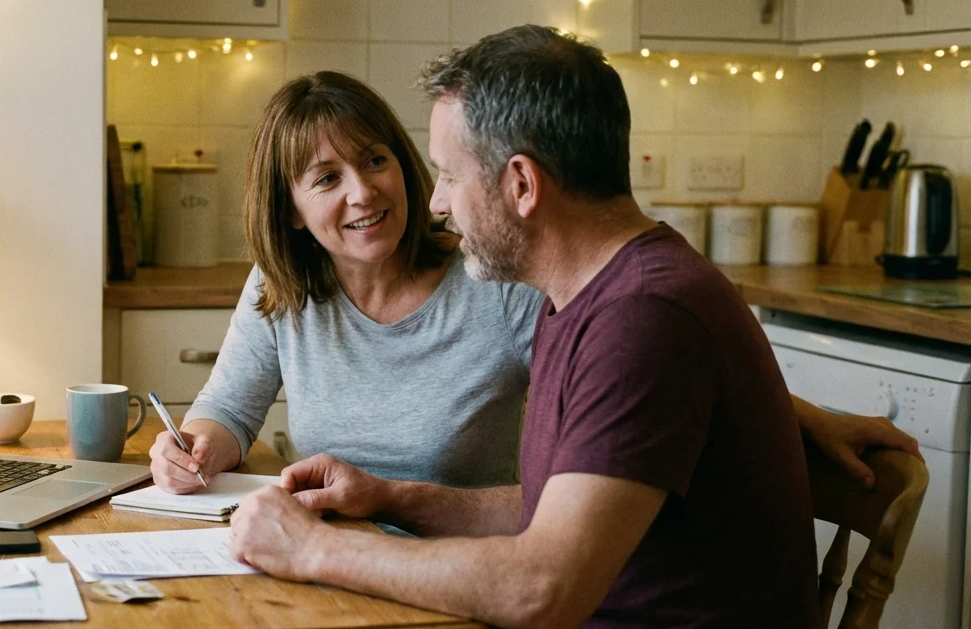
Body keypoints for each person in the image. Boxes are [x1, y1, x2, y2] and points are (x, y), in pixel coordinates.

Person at [225, 26, 857, 629]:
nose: (435, 203)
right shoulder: (580, 298)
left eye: (447, 176)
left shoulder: (644, 317)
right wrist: (392, 497)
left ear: (522, 184)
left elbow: (542, 590)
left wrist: (315, 548)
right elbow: (551, 510)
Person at [148, 71, 915, 498]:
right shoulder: (283, 288)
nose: (363, 192)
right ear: (288, 210)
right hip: (347, 566)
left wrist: (799, 415)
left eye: (376, 160)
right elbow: (225, 409)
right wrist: (197, 449)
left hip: (467, 567)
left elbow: (638, 374)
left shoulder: (494, 279)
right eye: (326, 177)